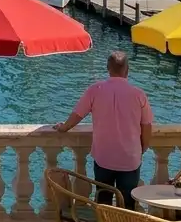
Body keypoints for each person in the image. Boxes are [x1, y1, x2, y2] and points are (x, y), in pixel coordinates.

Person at [54, 51, 153, 209]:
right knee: (128, 205)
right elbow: (147, 126)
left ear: (108, 68)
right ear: (127, 70)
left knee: (103, 201)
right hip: (130, 159)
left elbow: (77, 114)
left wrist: (64, 127)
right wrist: (143, 148)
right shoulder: (139, 95)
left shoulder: (95, 90)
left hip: (104, 157)